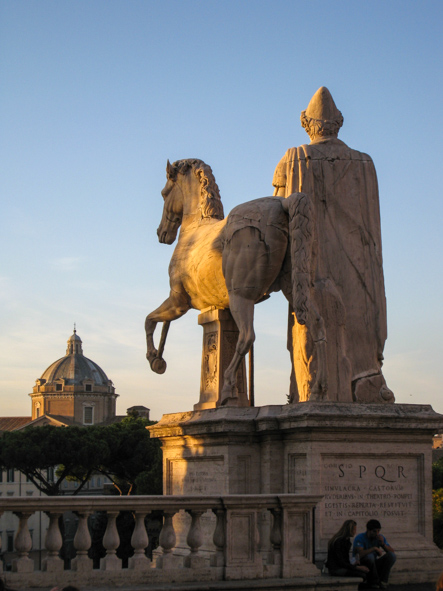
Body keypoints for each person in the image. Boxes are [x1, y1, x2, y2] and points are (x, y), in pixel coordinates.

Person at [272, 87, 394, 405]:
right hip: (360, 267)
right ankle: (365, 381)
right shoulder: (365, 163)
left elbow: (273, 221)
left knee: (314, 331)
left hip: (312, 266)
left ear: (306, 123)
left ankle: (317, 388)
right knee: (357, 321)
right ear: (339, 122)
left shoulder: (294, 159)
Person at [353, 519, 396, 589]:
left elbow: (392, 552)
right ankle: (374, 581)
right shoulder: (360, 538)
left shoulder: (379, 537)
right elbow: (359, 554)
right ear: (368, 530)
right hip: (362, 563)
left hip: (374, 564)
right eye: (374, 531)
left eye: (378, 531)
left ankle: (383, 581)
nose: (377, 533)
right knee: (370, 556)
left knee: (392, 556)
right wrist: (374, 548)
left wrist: (383, 544)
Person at [326, 519, 369, 583]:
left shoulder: (346, 541)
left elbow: (345, 559)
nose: (355, 532)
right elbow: (340, 561)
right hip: (336, 569)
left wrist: (354, 564)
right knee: (362, 574)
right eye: (354, 530)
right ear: (349, 530)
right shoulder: (339, 542)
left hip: (342, 566)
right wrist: (357, 567)